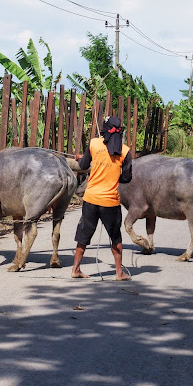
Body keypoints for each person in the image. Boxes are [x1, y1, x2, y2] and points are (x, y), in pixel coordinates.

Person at [72, 115, 132, 281]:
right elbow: (127, 178)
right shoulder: (125, 151)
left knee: (84, 235)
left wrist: (80, 158)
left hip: (90, 199)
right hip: (110, 202)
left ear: (105, 129)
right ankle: (119, 273)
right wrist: (113, 176)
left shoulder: (94, 143)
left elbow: (83, 165)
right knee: (115, 237)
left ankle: (75, 269)